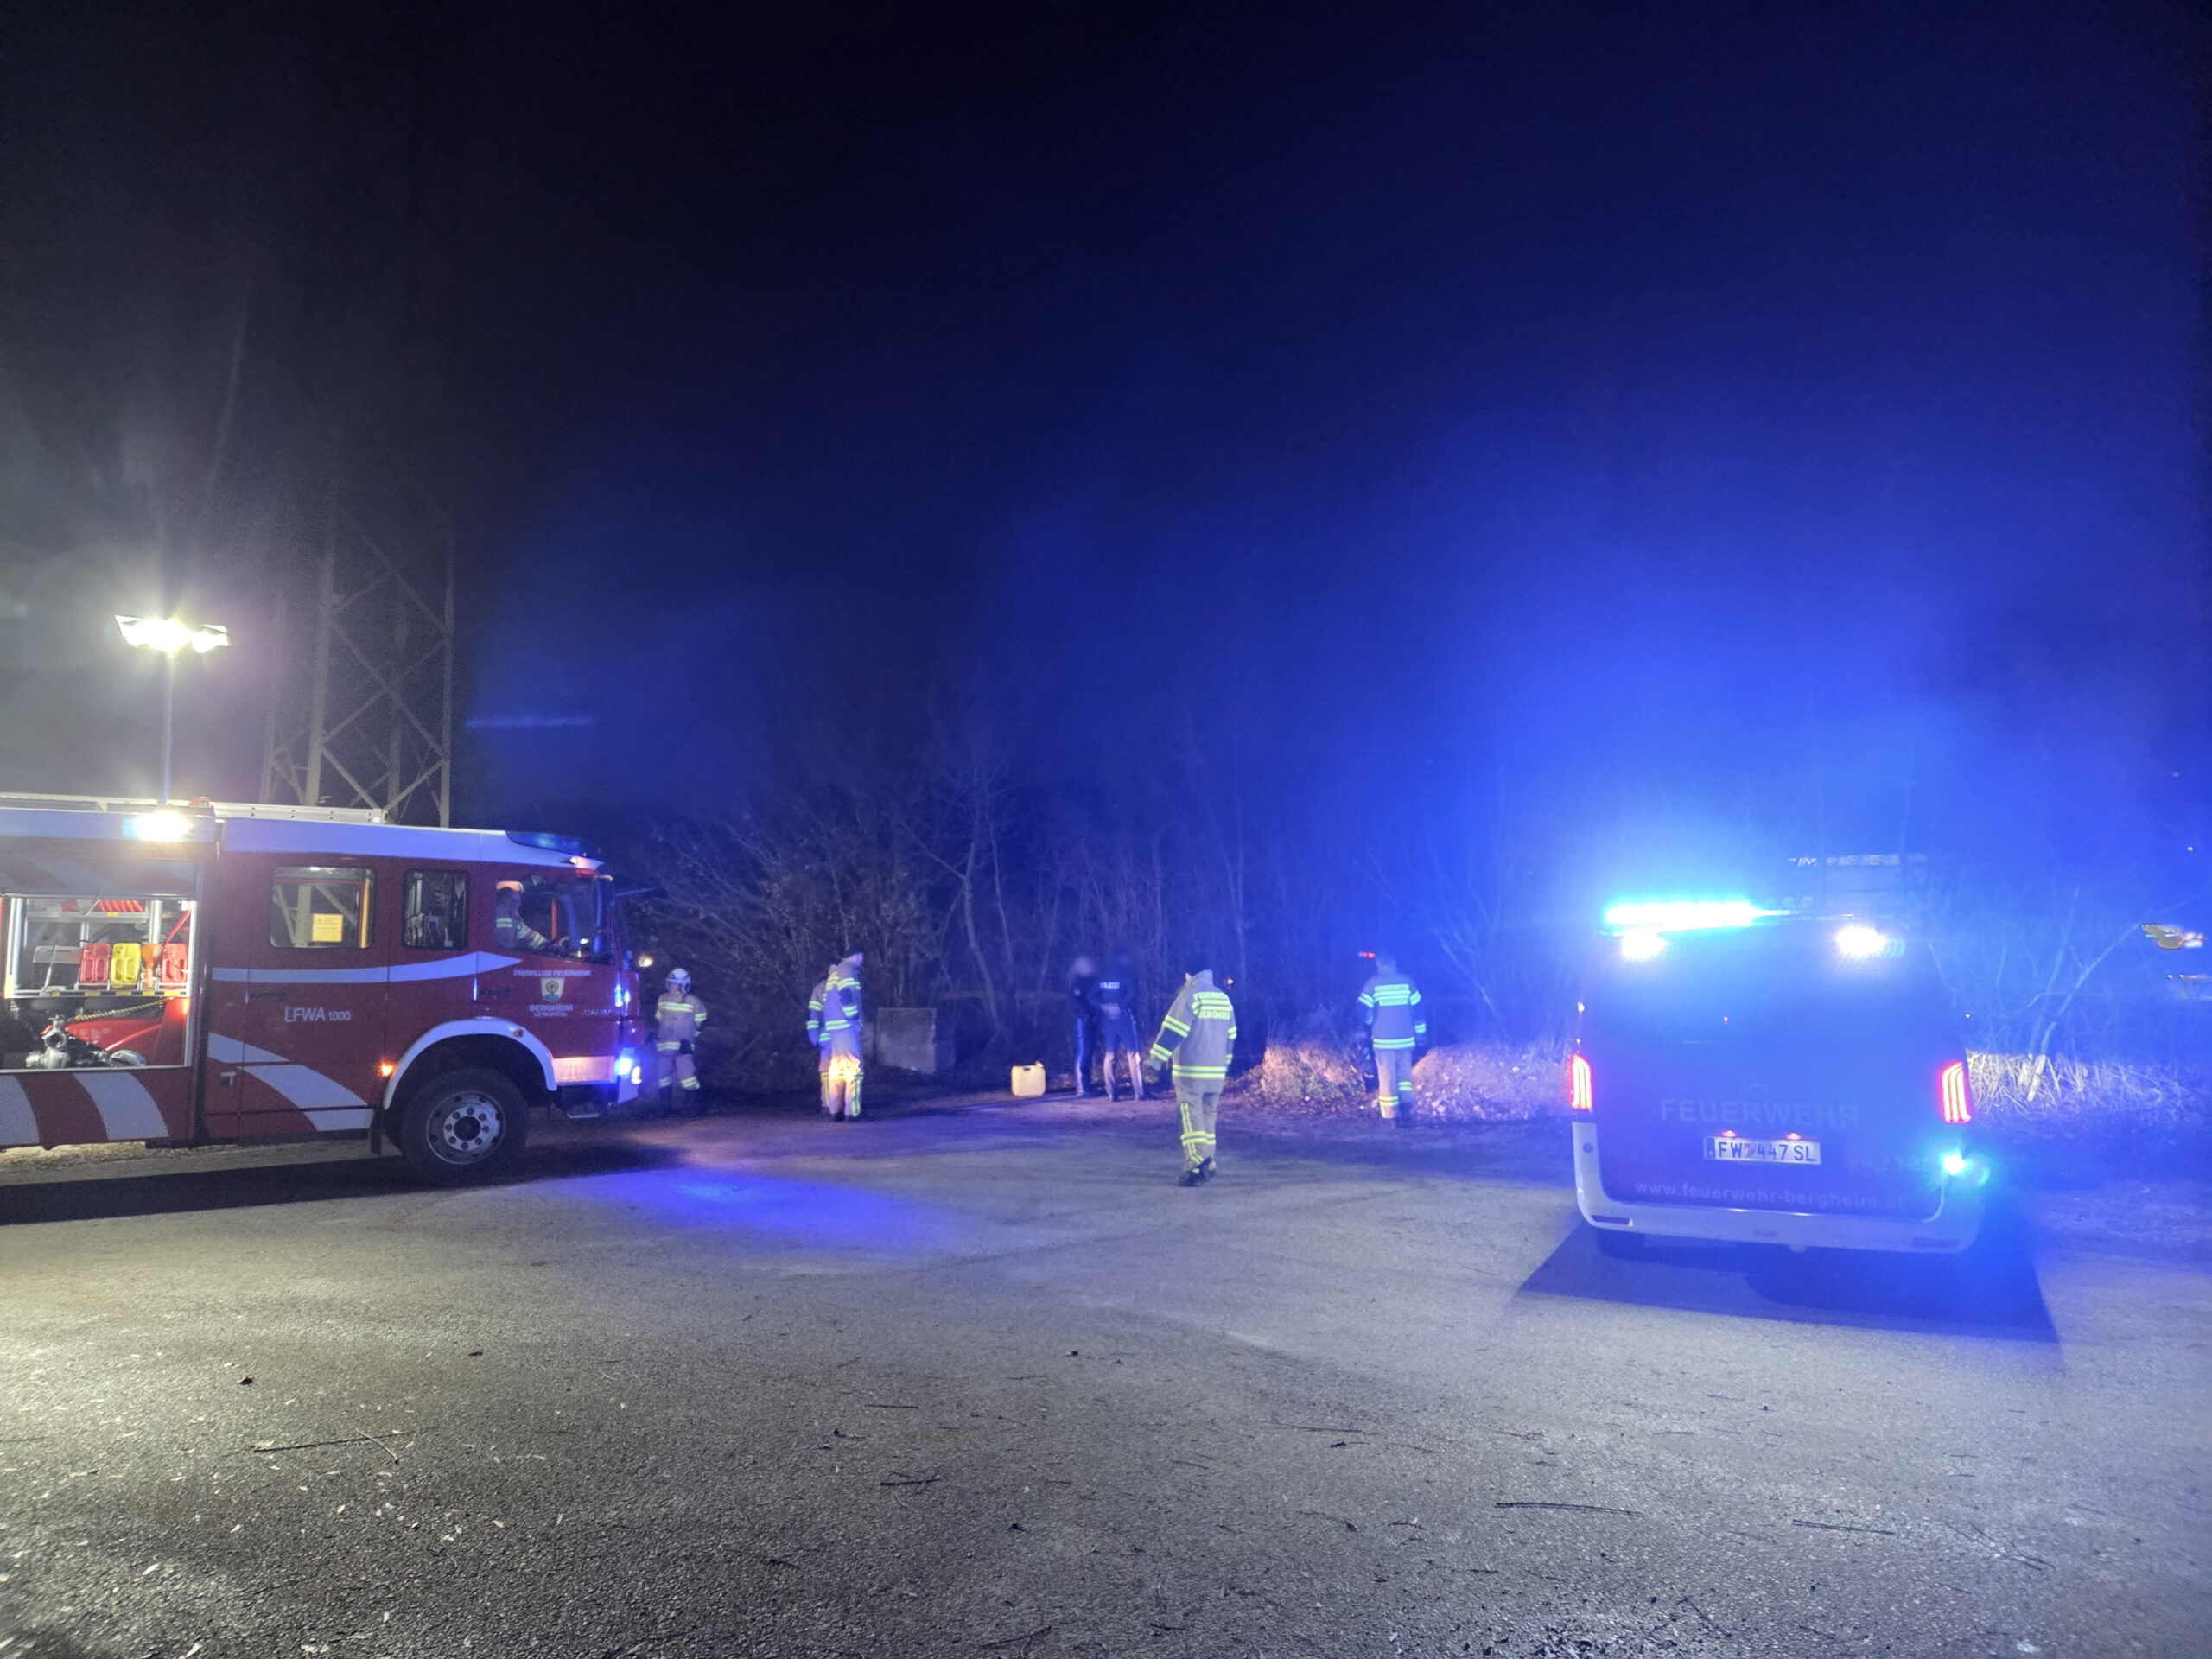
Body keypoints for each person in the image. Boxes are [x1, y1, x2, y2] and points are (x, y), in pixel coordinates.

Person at [1146, 951, 1236, 1185]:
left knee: (1190, 1116)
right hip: (1216, 1071)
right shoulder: (1223, 998)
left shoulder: (1190, 996)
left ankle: (1196, 1164)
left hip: (1191, 1069)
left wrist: (1155, 1060)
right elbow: (1230, 1036)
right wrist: (1225, 1063)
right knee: (1208, 1117)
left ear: (1189, 974)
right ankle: (1209, 1160)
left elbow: (1173, 1031)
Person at [1357, 950, 1427, 1122]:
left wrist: (1368, 1024)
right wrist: (1421, 1036)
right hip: (1406, 1039)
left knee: (1387, 1077)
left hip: (1383, 1041)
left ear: (1378, 964)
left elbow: (1363, 1011)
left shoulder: (1373, 984)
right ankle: (1406, 1110)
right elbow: (1418, 1011)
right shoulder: (1407, 982)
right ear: (1394, 963)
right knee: (1404, 1077)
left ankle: (1390, 1116)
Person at [807, 951, 866, 1119]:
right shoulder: (840, 978)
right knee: (850, 1070)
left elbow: (814, 1014)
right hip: (839, 1033)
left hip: (831, 1035)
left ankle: (833, 1108)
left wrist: (815, 1035)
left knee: (834, 1072)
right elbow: (815, 1013)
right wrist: (855, 1020)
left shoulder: (825, 987)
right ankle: (846, 1110)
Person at [1094, 948, 1145, 1102]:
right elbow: (1133, 993)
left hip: (1108, 1019)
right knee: (1133, 1053)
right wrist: (1119, 1006)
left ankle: (1111, 1093)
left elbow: (1091, 996)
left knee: (1110, 1054)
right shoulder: (1127, 974)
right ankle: (1139, 1093)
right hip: (1124, 1017)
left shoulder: (1103, 975)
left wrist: (1103, 1006)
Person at [653, 968, 707, 1110]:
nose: (671, 986)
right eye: (669, 983)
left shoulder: (693, 1001)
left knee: (686, 1076)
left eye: (674, 983)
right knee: (662, 1076)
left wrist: (690, 1040)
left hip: (683, 1047)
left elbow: (700, 1024)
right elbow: (659, 1020)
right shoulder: (663, 999)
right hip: (664, 1045)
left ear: (684, 985)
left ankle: (691, 1106)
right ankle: (665, 1107)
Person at [1068, 954, 1102, 1096]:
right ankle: (1082, 1086)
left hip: (1091, 1019)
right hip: (1083, 1021)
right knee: (1084, 1052)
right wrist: (1085, 1017)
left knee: (1089, 1051)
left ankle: (1087, 1084)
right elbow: (1076, 1003)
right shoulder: (1077, 981)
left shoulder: (1091, 980)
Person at [493, 880, 554, 955]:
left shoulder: (512, 916)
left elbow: (527, 935)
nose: (518, 905)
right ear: (505, 900)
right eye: (515, 902)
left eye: (518, 902)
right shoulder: (498, 914)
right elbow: (506, 942)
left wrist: (549, 944)